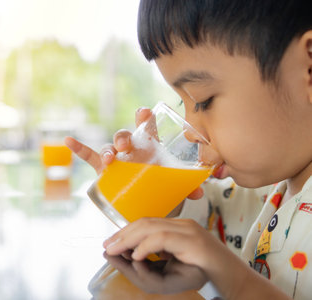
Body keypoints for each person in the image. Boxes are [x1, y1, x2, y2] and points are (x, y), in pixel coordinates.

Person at [65, 0, 312, 299]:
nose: (188, 130)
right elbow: (214, 219)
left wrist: (234, 277)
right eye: (184, 103)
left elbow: (214, 255)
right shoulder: (267, 187)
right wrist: (166, 201)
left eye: (204, 100)